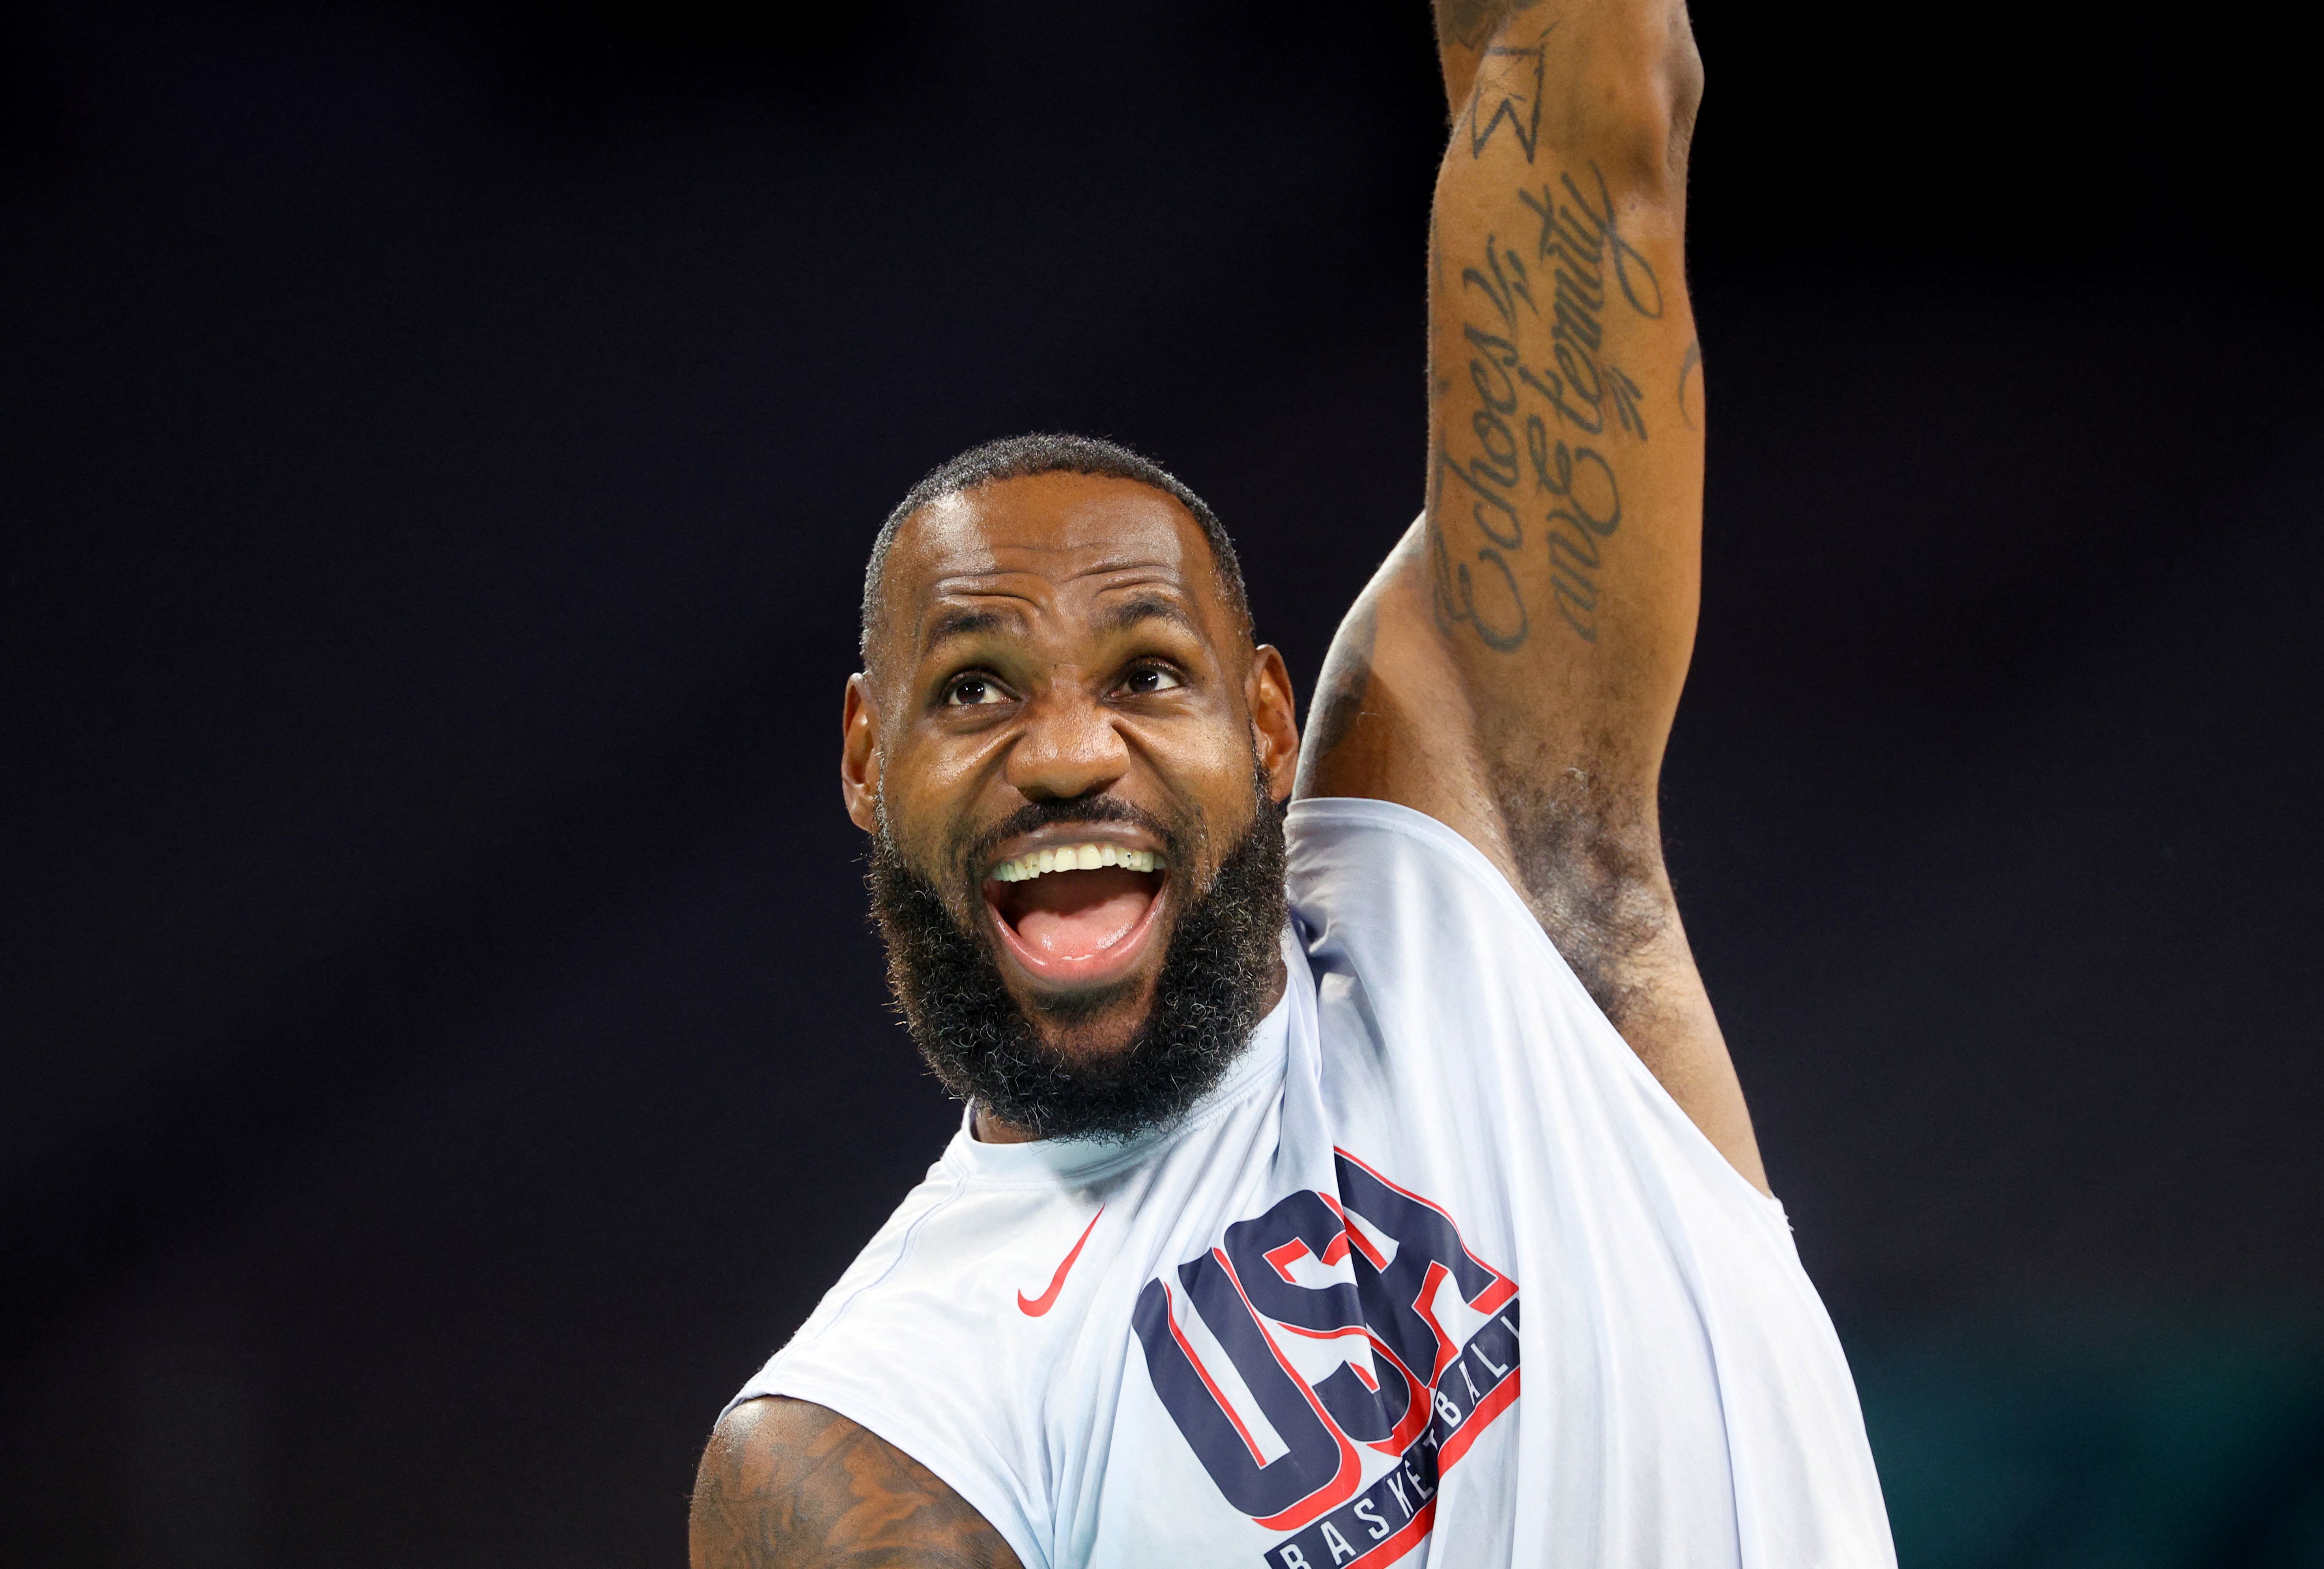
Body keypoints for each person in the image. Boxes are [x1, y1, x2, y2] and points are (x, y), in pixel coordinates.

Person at [690, 0, 1895, 1563]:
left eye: (1145, 674)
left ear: (1268, 722)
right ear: (869, 756)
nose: (1065, 754)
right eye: (978, 688)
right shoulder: (872, 1439)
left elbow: (1592, 96)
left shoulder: (1489, 881)